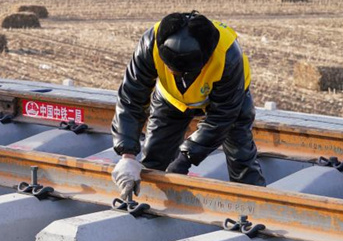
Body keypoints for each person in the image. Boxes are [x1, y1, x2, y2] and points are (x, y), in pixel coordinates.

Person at [110, 11, 265, 201]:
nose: (176, 75)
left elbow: (222, 117)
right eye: (171, 69)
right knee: (154, 158)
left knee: (241, 156)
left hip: (230, 102)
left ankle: (253, 204)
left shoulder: (228, 57)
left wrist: (186, 158)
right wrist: (127, 154)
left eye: (183, 73)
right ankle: (148, 204)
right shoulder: (150, 43)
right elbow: (131, 97)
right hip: (171, 99)